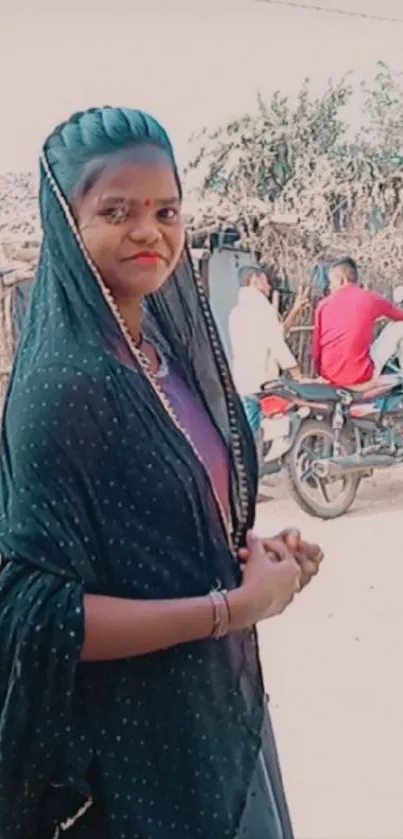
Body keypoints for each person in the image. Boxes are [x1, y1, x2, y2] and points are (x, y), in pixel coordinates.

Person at [0, 108, 323, 839]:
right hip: (132, 748)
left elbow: (167, 525)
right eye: (117, 210)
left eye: (166, 209)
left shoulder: (165, 359)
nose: (150, 230)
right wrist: (230, 609)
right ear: (66, 224)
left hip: (211, 700)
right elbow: (38, 614)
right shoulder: (66, 384)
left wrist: (258, 561)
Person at [229, 265, 304, 436]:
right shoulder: (261, 308)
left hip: (243, 382)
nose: (269, 286)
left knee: (248, 432)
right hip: (262, 385)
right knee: (256, 435)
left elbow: (275, 334)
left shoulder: (236, 312)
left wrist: (294, 312)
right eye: (266, 281)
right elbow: (277, 344)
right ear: (255, 280)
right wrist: (297, 374)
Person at [313, 256, 403, 387]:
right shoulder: (371, 298)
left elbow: (316, 348)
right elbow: (400, 316)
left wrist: (321, 373)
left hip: (329, 374)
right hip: (360, 374)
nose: (330, 287)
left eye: (331, 282)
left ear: (342, 280)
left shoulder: (323, 305)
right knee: (400, 326)